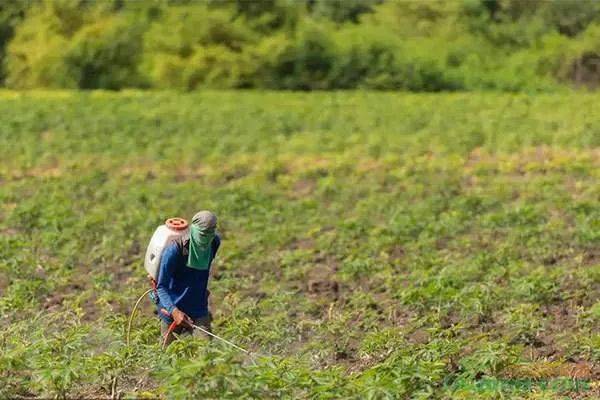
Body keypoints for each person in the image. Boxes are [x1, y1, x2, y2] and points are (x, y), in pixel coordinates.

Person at [156, 210, 220, 346]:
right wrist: (174, 311)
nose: (206, 238)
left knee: (207, 353)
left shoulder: (214, 243)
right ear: (193, 229)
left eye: (210, 233)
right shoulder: (174, 251)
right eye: (202, 234)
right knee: (166, 356)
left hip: (198, 308)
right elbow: (161, 287)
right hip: (172, 308)